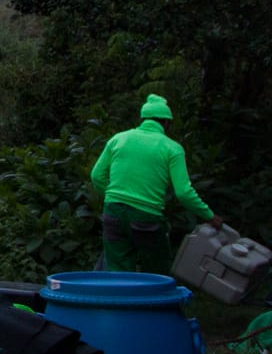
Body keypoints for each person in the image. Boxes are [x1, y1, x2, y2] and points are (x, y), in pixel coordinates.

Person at [90, 93, 221, 274]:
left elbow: (97, 176)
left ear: (143, 118)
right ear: (166, 123)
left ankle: (116, 300)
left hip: (114, 212)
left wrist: (116, 196)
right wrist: (209, 215)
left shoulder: (118, 139)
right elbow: (183, 192)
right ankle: (152, 301)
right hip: (146, 216)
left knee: (117, 269)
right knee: (156, 270)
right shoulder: (172, 148)